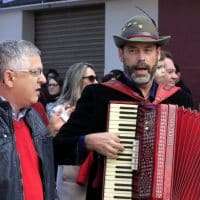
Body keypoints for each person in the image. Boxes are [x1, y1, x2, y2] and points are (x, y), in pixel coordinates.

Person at [51, 15, 193, 200]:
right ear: (121, 54)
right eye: (133, 50)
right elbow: (58, 148)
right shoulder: (97, 95)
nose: (141, 58)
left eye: (148, 50)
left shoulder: (180, 98)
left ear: (158, 54)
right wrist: (87, 141)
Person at [0, 40, 56, 200]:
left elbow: (49, 186)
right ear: (9, 78)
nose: (43, 79)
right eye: (35, 72)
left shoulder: (34, 117)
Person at [49, 62, 97, 200]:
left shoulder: (95, 106)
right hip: (72, 179)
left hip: (93, 176)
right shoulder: (61, 110)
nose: (96, 82)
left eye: (96, 77)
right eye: (91, 78)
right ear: (77, 81)